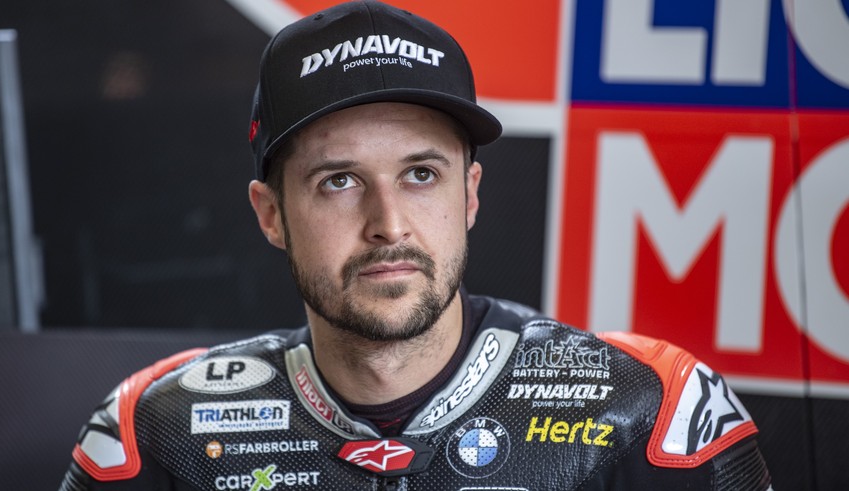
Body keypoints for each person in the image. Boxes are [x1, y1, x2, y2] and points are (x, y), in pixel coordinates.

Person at [60, 1, 772, 489]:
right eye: (339, 181)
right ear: (271, 215)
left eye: (421, 174)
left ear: (469, 194)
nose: (389, 223)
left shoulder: (650, 412)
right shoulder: (156, 432)